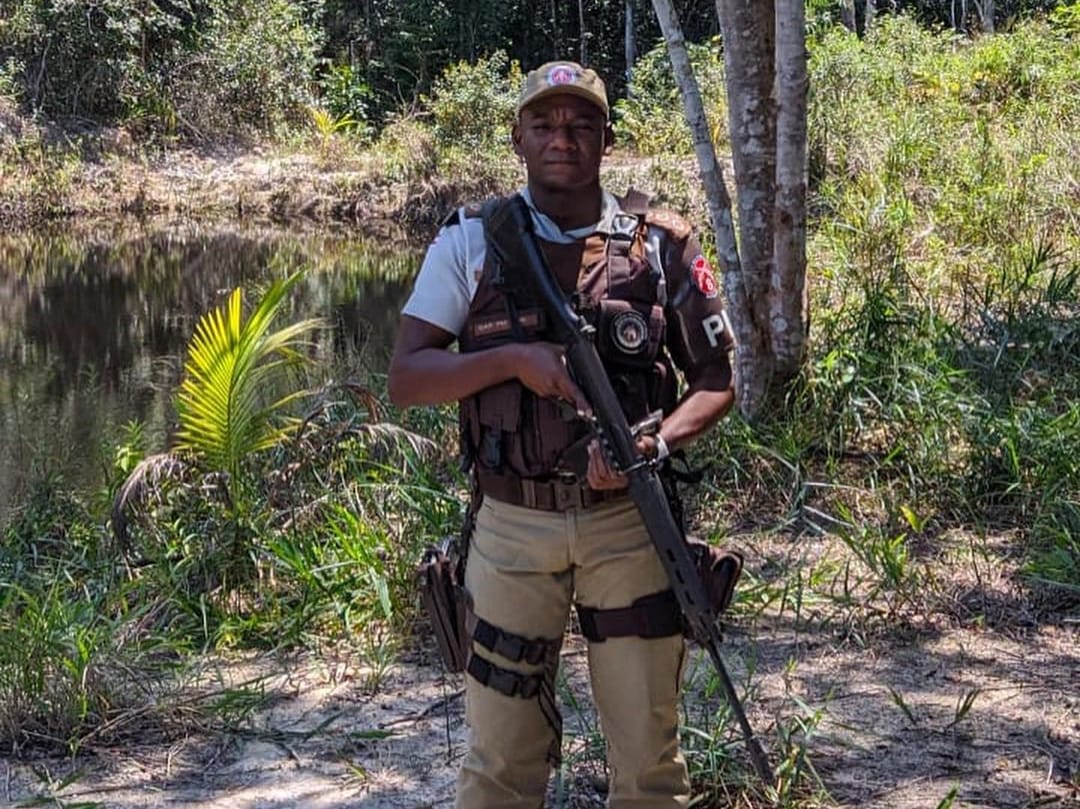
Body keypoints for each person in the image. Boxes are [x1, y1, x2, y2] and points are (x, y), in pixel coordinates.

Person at [388, 60, 736, 809]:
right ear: (517, 138)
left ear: (606, 138)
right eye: (544, 124)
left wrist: (651, 444)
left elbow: (717, 382)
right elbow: (408, 376)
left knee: (648, 763)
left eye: (581, 124)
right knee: (500, 765)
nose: (562, 139)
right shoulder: (471, 242)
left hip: (630, 527)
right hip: (513, 526)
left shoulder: (659, 245)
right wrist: (513, 359)